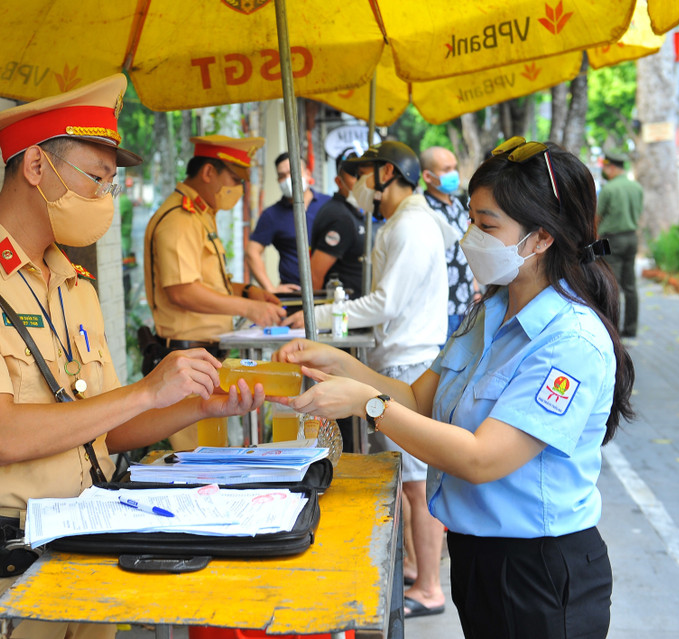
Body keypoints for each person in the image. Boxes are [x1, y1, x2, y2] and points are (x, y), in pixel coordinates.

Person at [0, 75, 265, 639]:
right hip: (5, 570)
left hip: (90, 545)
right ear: (36, 168)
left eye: (110, 185)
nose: (104, 199)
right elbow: (0, 436)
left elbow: (107, 431)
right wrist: (146, 389)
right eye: (96, 180)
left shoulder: (78, 287)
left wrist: (200, 405)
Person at [272, 137, 635, 639]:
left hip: (540, 569)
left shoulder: (570, 341)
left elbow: (482, 459)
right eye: (471, 220)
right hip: (477, 555)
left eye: (487, 226)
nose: (470, 238)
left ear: (542, 238)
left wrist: (367, 405)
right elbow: (420, 400)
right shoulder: (492, 311)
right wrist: (341, 365)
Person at [284, 140, 456, 618]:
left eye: (364, 174)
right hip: (398, 357)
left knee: (417, 482)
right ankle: (413, 569)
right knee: (404, 479)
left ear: (385, 174)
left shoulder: (412, 226)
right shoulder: (400, 223)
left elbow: (386, 304)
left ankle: (428, 586)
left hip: (409, 363)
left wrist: (319, 311)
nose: (358, 185)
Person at [143, 135, 285, 449]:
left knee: (214, 459)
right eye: (234, 180)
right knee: (198, 467)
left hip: (204, 363)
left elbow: (208, 285)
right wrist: (246, 309)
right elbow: (181, 291)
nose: (238, 189)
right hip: (185, 366)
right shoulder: (180, 220)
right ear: (208, 172)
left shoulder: (201, 216)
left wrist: (249, 292)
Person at [246, 151, 329, 292]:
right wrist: (270, 289)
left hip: (330, 292)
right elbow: (252, 252)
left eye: (293, 172)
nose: (288, 179)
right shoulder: (272, 215)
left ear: (308, 173)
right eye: (281, 176)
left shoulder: (329, 205)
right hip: (295, 295)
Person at [420, 146, 480, 336]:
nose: (453, 173)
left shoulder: (459, 205)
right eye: (446, 170)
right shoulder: (423, 210)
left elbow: (467, 252)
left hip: (465, 306)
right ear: (428, 176)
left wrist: (476, 290)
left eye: (454, 167)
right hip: (437, 311)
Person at [597, 149, 643, 338]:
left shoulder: (609, 188)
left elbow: (597, 217)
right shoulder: (636, 187)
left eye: (606, 167)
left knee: (612, 285)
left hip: (612, 240)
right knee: (630, 285)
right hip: (632, 237)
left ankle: (612, 330)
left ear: (612, 167)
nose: (605, 171)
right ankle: (631, 329)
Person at [308, 147, 366, 298]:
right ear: (339, 181)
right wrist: (314, 317)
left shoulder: (354, 212)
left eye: (363, 175)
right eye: (354, 176)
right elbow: (314, 275)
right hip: (341, 315)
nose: (361, 183)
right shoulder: (340, 217)